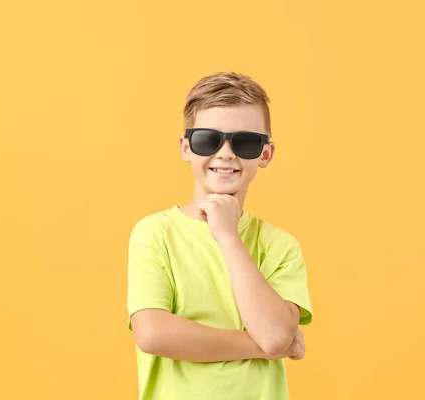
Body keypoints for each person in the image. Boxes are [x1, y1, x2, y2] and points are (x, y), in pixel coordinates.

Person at [126, 72, 313, 400]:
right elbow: (152, 333)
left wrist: (227, 235)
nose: (226, 153)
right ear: (186, 147)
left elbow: (274, 335)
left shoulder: (279, 246)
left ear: (265, 154)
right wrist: (263, 347)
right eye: (208, 139)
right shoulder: (155, 233)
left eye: (244, 142)